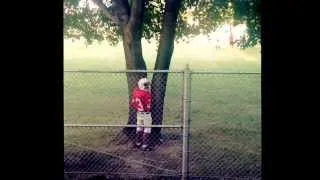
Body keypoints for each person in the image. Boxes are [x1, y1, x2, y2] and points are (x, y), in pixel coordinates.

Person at [131, 77, 153, 151]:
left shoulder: (135, 92)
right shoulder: (147, 94)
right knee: (147, 129)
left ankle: (137, 143)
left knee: (139, 127)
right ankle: (145, 145)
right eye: (146, 85)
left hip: (139, 113)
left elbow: (133, 103)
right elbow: (148, 106)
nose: (148, 86)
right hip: (146, 114)